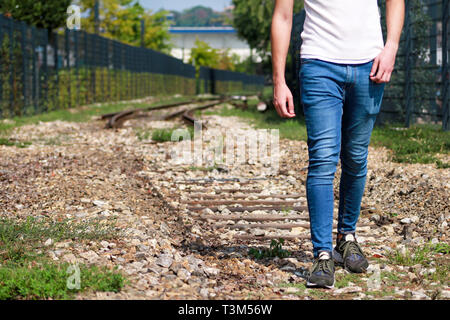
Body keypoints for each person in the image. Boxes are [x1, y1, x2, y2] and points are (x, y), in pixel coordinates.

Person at [271, 0, 405, 288]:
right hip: (319, 66)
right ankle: (321, 253)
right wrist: (279, 81)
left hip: (370, 65)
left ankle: (347, 237)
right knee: (323, 159)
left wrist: (391, 46)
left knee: (356, 156)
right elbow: (282, 16)